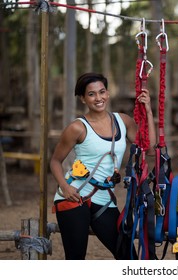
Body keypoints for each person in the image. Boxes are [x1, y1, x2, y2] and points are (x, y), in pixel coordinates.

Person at [50, 72, 156, 260]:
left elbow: (149, 150)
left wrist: (148, 110)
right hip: (75, 196)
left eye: (102, 92)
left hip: (103, 199)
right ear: (83, 98)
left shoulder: (122, 121)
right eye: (91, 94)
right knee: (76, 259)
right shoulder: (77, 128)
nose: (98, 98)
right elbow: (55, 161)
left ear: (107, 93)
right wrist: (65, 187)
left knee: (127, 255)